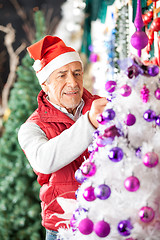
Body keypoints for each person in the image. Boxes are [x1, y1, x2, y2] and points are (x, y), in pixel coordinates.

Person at [18, 35, 108, 240]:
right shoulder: (31, 128)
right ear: (45, 85)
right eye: (62, 75)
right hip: (63, 228)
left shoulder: (102, 107)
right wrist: (90, 123)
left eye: (77, 73)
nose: (73, 82)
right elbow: (44, 160)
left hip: (107, 220)